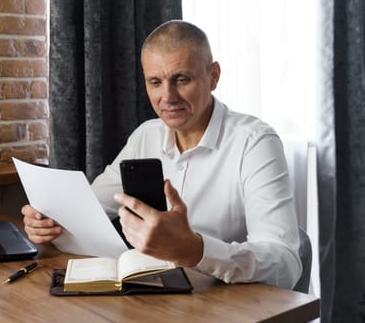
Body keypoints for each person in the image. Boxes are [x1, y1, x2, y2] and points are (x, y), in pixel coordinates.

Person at [22, 20, 302, 289]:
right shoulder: (147, 135)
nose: (167, 97)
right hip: (154, 300)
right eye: (155, 82)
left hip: (230, 307)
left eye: (181, 79)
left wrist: (196, 250)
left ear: (213, 76)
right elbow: (90, 210)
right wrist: (50, 222)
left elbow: (285, 264)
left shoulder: (255, 142)